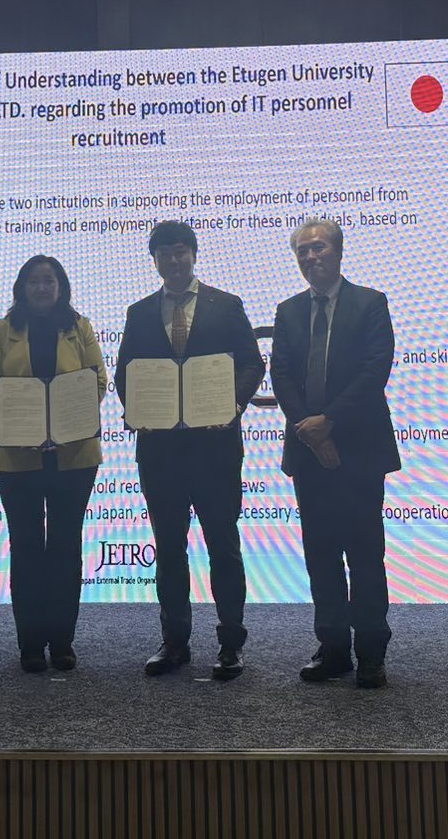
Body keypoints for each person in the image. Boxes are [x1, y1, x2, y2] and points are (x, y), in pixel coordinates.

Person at [115, 220, 264, 680]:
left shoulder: (226, 305)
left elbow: (252, 363)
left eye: (181, 251)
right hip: (160, 451)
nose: (174, 260)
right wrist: (139, 408)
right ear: (154, 260)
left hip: (215, 448)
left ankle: (231, 643)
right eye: (165, 253)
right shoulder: (140, 312)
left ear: (194, 254)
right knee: (169, 550)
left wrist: (232, 404)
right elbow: (124, 373)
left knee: (223, 546)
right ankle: (174, 641)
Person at [270, 218, 398, 689]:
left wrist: (329, 423)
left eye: (318, 248)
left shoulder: (370, 303)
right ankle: (333, 648)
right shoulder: (287, 311)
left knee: (365, 555)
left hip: (360, 451)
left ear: (338, 251)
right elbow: (281, 375)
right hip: (308, 452)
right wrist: (312, 432)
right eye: (302, 251)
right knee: (320, 556)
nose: (310, 257)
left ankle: (371, 653)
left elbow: (375, 370)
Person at [0, 255, 107, 673]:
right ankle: (31, 644)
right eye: (34, 281)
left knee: (66, 547)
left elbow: (97, 379)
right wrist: (17, 424)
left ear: (61, 287)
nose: (41, 287)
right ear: (22, 287)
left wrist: (70, 421)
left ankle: (62, 641)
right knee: (27, 548)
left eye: (49, 280)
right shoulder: (4, 329)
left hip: (74, 456)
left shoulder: (80, 327)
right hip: (18, 458)